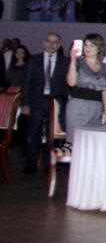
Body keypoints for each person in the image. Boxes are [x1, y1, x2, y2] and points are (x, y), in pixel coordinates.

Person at [22, 32, 69, 173]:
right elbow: (26, 83)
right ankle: (31, 164)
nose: (51, 44)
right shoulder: (33, 60)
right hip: (36, 100)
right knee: (34, 132)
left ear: (59, 45)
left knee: (51, 135)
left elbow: (68, 84)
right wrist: (25, 103)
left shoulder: (65, 61)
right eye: (49, 41)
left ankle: (49, 164)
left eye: (55, 42)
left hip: (55, 102)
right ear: (44, 43)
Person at [65, 33, 106, 146]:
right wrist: (73, 60)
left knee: (93, 142)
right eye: (86, 45)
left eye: (92, 45)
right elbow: (71, 82)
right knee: (76, 141)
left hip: (97, 107)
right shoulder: (78, 63)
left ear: (98, 48)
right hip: (78, 105)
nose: (88, 48)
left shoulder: (105, 68)